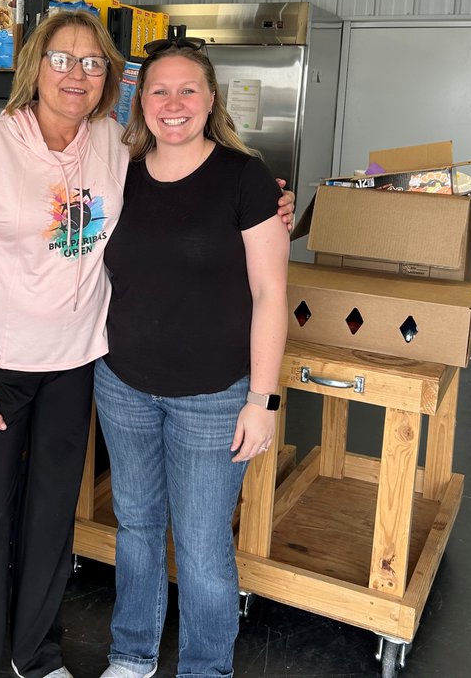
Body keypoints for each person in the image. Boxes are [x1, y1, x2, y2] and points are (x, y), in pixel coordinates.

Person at [0, 11, 294, 678]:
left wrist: (271, 202)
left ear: (109, 82)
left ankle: (35, 657)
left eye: (93, 63)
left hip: (79, 364)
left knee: (55, 523)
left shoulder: (110, 147)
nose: (77, 74)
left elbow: (228, 228)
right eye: (62, 60)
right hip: (3, 368)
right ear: (34, 68)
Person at [93, 37, 290, 678]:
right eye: (158, 90)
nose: (172, 103)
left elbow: (270, 294)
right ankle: (132, 654)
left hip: (214, 395)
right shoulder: (118, 174)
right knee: (137, 527)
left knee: (204, 546)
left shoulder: (246, 177)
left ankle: (206, 668)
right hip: (122, 383)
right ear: (139, 102)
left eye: (187, 91)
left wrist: (263, 400)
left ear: (210, 101)